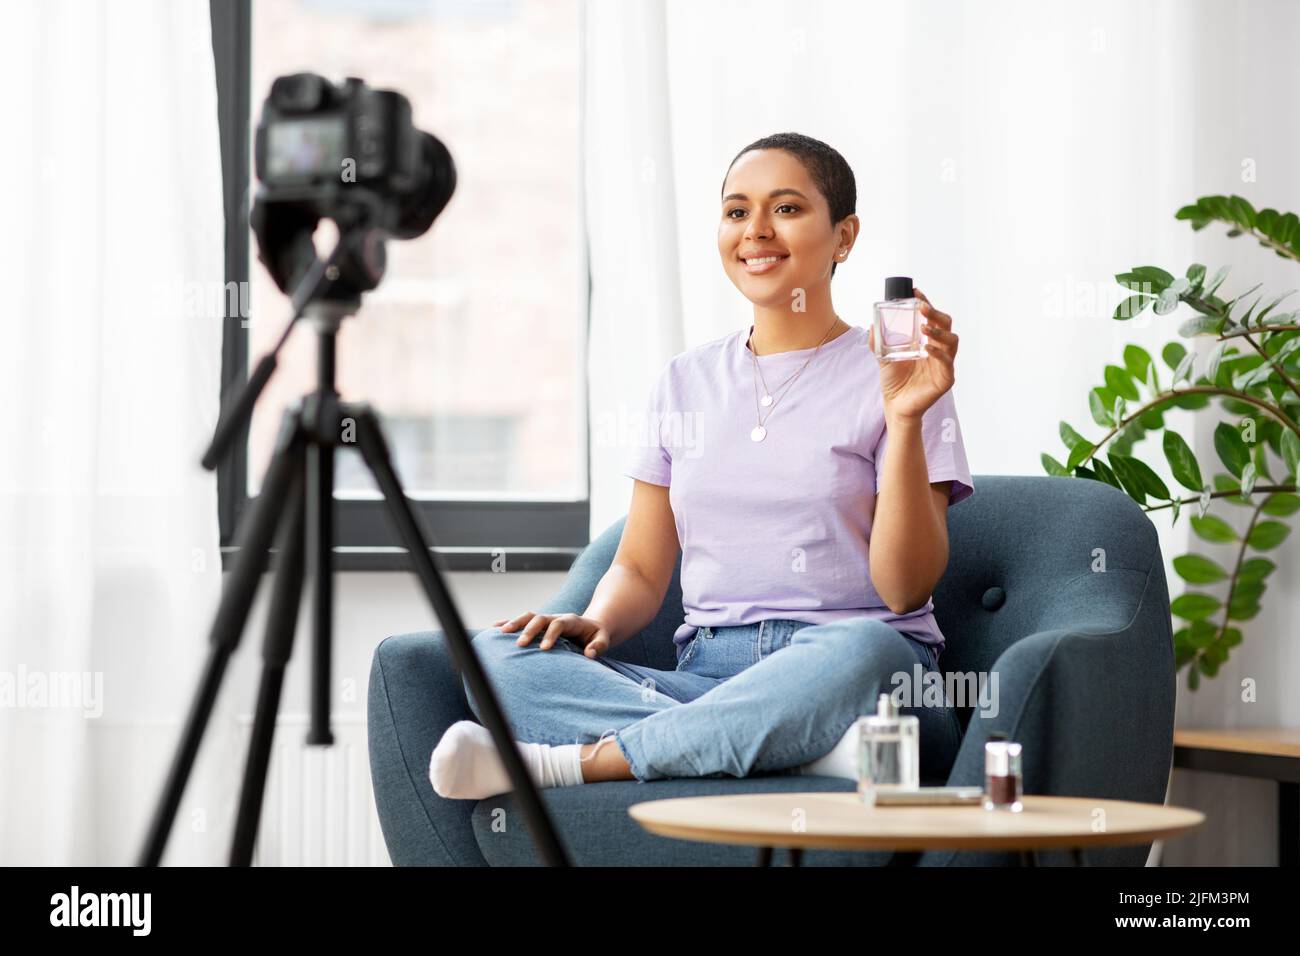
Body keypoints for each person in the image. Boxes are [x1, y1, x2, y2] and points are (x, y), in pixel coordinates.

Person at [430, 132, 973, 800]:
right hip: (707, 675)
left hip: (859, 673)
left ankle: (575, 762)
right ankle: (790, 749)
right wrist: (597, 620)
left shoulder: (904, 378)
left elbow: (903, 592)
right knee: (495, 658)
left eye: (787, 209)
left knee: (866, 648)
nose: (756, 232)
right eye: (737, 211)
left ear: (844, 236)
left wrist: (907, 417)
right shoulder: (684, 382)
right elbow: (638, 566)